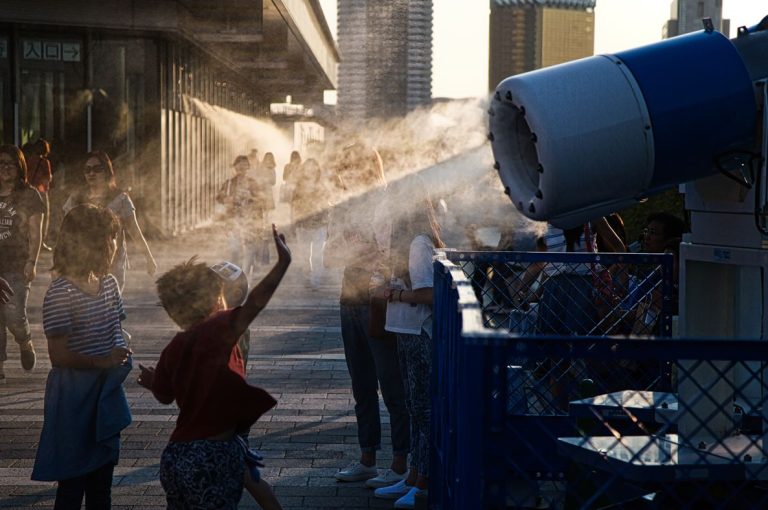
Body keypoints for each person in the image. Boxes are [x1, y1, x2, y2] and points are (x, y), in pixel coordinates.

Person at [136, 224, 290, 510]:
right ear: (216, 299)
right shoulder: (219, 329)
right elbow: (255, 303)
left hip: (176, 456)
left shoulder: (174, 347)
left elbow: (164, 395)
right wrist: (282, 264)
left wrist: (153, 381)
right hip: (213, 456)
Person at [31, 204, 133, 509]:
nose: (115, 244)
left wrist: (121, 355)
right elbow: (58, 355)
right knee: (72, 487)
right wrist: (102, 361)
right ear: (92, 242)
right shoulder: (60, 292)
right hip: (73, 398)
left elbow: (116, 331)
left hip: (105, 395)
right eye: (111, 237)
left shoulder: (109, 285)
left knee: (102, 487)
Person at [326, 143, 410, 488]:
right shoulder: (344, 205)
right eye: (343, 170)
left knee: (391, 384)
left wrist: (366, 255)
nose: (345, 176)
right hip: (349, 298)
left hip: (377, 303)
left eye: (351, 169)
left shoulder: (385, 203)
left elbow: (393, 257)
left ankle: (401, 462)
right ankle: (367, 458)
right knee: (361, 384)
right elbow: (330, 254)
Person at [371, 193, 444, 509]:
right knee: (414, 406)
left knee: (423, 408)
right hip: (404, 331)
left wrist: (396, 295)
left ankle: (425, 479)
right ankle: (414, 475)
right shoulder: (407, 245)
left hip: (418, 333)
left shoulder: (418, 244)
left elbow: (429, 293)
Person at [63, 150, 156, 291]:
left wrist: (148, 257)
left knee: (110, 302)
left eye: (97, 169)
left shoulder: (120, 199)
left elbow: (134, 231)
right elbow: (65, 233)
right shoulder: (76, 199)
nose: (91, 173)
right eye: (87, 170)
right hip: (82, 264)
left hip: (112, 265)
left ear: (106, 171)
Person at [0, 144, 43, 382]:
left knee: (14, 314)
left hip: (17, 264)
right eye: (1, 163)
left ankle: (25, 340)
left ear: (20, 167)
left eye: (10, 164)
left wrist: (32, 261)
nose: (5, 168)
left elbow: (36, 233)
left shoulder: (30, 195)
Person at [216, 155, 266, 276]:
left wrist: (251, 198)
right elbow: (219, 197)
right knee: (234, 249)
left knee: (248, 249)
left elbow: (261, 200)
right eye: (239, 165)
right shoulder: (229, 183)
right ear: (235, 167)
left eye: (244, 165)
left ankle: (244, 275)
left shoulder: (253, 183)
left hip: (249, 219)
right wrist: (226, 199)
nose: (242, 167)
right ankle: (235, 274)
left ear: (248, 167)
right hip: (233, 219)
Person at [291, 158, 331, 289]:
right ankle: (307, 277)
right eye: (308, 167)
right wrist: (293, 222)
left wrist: (328, 223)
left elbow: (327, 205)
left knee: (317, 255)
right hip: (302, 225)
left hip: (320, 224)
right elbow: (293, 205)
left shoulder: (323, 185)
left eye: (313, 166)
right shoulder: (298, 187)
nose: (311, 169)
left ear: (317, 169)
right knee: (304, 255)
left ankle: (316, 280)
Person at [24, 138, 54, 250]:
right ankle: (41, 242)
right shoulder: (45, 162)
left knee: (29, 216)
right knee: (44, 217)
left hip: (29, 191)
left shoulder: (28, 160)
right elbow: (47, 178)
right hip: (41, 192)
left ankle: (29, 240)